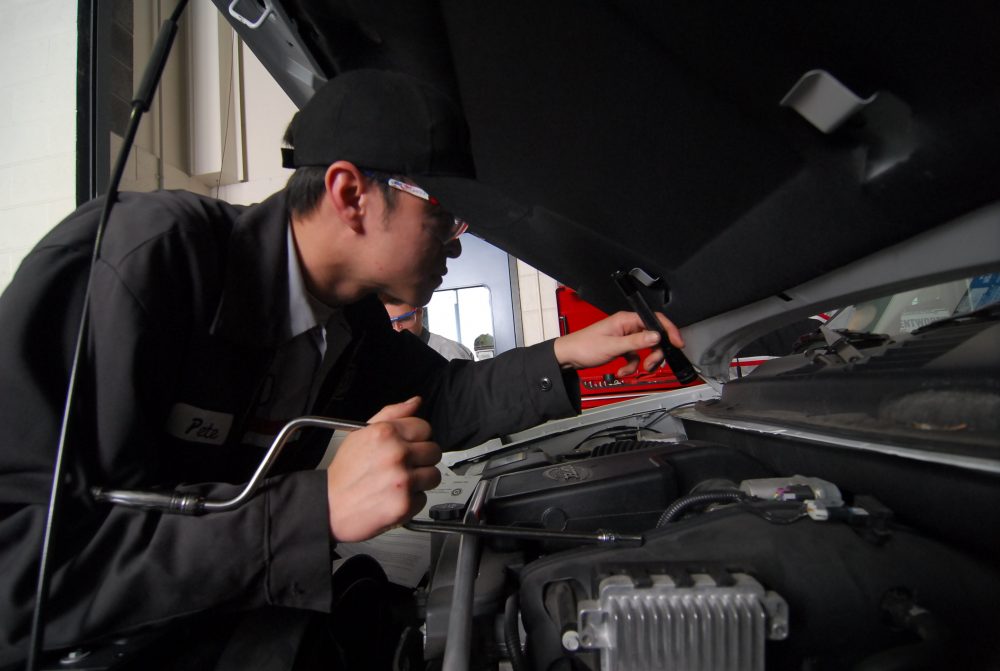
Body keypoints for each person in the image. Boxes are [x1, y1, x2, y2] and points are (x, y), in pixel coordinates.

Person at [0, 69, 683, 668]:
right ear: (351, 193)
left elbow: (443, 397)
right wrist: (313, 510)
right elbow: (16, 570)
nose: (456, 238)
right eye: (443, 213)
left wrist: (568, 356)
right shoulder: (139, 264)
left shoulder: (347, 317)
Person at [382, 298, 475, 361]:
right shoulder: (386, 355)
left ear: (419, 311)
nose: (397, 329)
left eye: (405, 319)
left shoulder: (451, 354)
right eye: (390, 323)